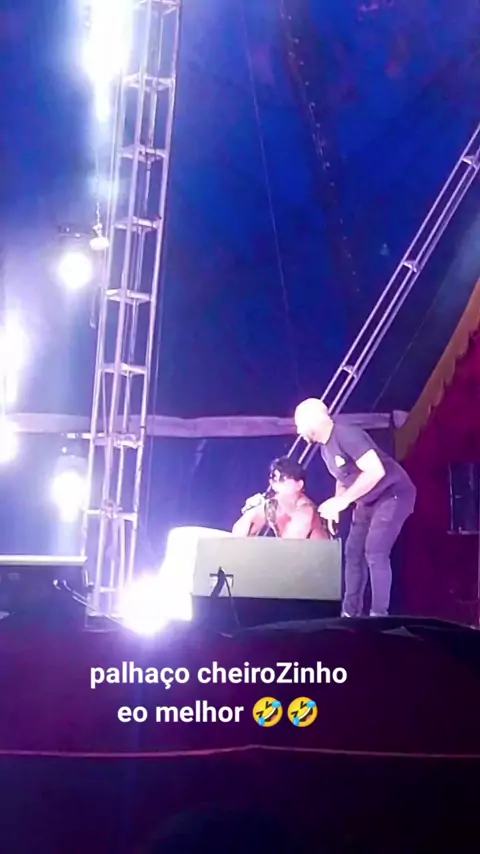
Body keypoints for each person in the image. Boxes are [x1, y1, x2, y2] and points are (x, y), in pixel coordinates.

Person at [294, 398, 416, 617]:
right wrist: (337, 504)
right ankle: (350, 614)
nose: (298, 431)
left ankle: (379, 616)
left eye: (299, 424)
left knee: (375, 550)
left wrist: (344, 501)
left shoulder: (346, 435)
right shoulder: (325, 449)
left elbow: (375, 470)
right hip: (367, 500)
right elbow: (343, 478)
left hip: (393, 493)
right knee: (353, 552)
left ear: (314, 419)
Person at [232, 456, 330, 540]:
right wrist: (251, 512)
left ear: (299, 485)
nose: (275, 483)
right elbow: (238, 533)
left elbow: (292, 545)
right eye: (273, 478)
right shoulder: (272, 506)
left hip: (317, 555)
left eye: (283, 478)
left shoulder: (306, 510)